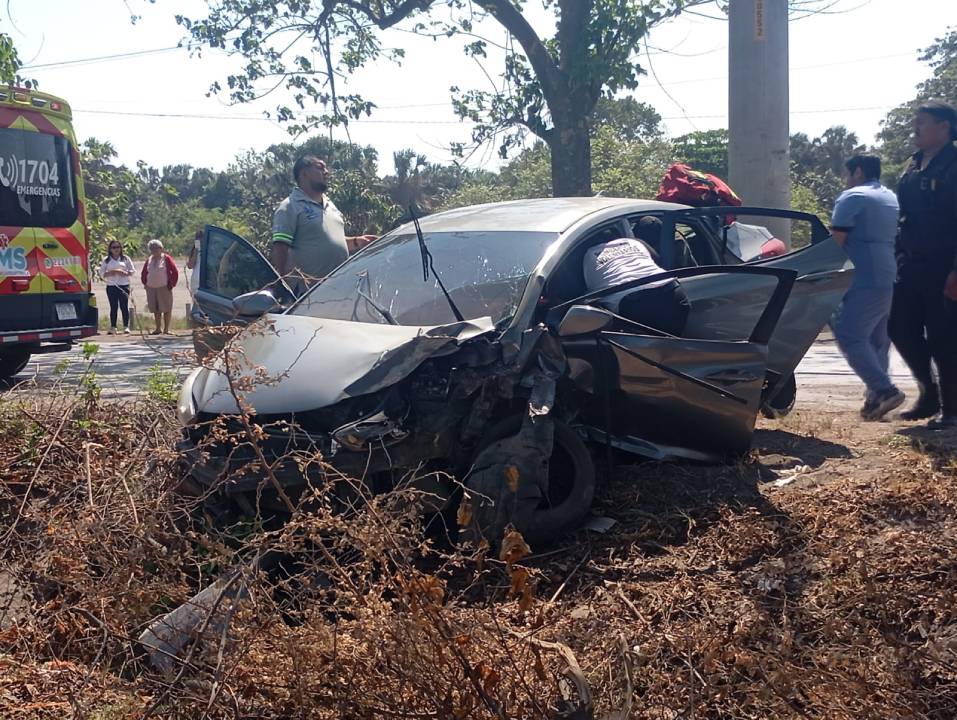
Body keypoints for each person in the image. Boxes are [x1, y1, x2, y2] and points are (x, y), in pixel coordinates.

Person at [888, 99, 957, 428]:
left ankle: (952, 409)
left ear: (944, 127)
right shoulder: (914, 164)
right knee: (900, 328)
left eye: (923, 121)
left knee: (945, 337)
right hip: (911, 264)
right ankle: (929, 394)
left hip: (945, 265)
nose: (915, 127)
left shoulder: (953, 164)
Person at [829, 155, 904, 421]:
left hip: (862, 274)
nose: (845, 180)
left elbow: (836, 242)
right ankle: (874, 400)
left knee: (850, 334)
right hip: (887, 271)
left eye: (847, 174)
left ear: (857, 172)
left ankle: (885, 390)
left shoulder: (852, 197)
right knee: (877, 340)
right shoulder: (889, 197)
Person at [270, 155, 377, 293]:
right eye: (320, 168)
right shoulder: (290, 207)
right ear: (304, 173)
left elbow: (326, 240)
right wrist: (283, 288)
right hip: (307, 295)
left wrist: (357, 242)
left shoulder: (330, 205)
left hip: (341, 290)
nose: (326, 172)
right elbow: (280, 247)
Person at [583, 220, 690, 336]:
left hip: (633, 303)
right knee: (674, 344)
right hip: (671, 290)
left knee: (651, 349)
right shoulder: (634, 242)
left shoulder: (590, 254)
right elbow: (658, 260)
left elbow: (592, 290)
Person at [140, 239, 179, 335]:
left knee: (166, 308)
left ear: (161, 248)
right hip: (151, 288)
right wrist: (145, 283)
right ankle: (158, 328)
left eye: (156, 248)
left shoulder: (166, 258)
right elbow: (144, 273)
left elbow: (175, 272)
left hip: (164, 287)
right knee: (156, 309)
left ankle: (166, 329)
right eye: (151, 248)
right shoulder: (149, 259)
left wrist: (172, 284)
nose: (154, 250)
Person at [100, 240, 134, 335]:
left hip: (124, 285)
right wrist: (112, 272)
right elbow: (101, 273)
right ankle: (113, 327)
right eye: (114, 247)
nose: (116, 249)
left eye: (118, 247)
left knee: (124, 306)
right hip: (112, 286)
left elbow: (132, 271)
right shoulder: (106, 260)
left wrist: (125, 273)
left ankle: (126, 326)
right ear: (110, 249)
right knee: (113, 306)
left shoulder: (125, 259)